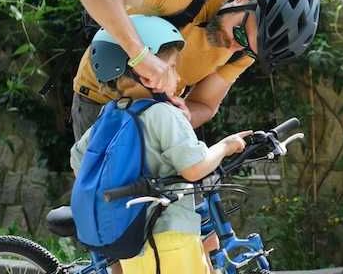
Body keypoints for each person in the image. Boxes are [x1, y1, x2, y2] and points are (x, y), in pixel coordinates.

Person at [69, 15, 251, 274]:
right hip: (171, 239)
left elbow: (80, 163)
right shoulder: (163, 114)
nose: (177, 77)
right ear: (144, 72)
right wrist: (226, 146)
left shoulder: (109, 115)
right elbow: (195, 168)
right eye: (172, 67)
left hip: (133, 238)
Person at [69, 0, 320, 139]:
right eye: (240, 34)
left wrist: (183, 115)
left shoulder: (247, 45)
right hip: (101, 99)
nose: (236, 47)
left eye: (247, 48)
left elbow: (205, 104)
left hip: (154, 115)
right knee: (107, 205)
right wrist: (140, 55)